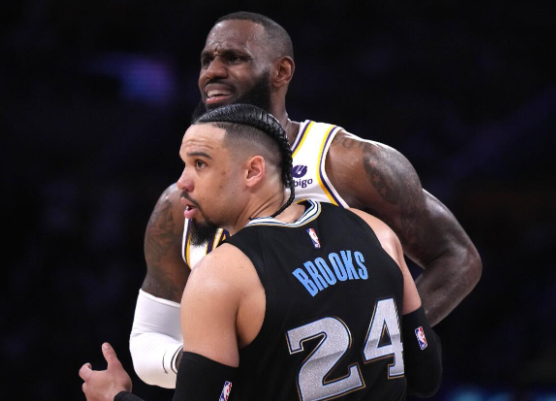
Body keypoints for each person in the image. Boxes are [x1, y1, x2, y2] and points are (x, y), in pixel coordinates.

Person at [131, 11, 480, 388]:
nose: (211, 72)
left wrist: (381, 340)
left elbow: (457, 256)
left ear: (281, 71)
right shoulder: (180, 205)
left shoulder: (347, 164)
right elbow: (149, 339)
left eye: (233, 57)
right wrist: (210, 364)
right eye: (206, 60)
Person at [80, 104, 442, 401]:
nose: (182, 182)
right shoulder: (376, 232)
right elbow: (426, 375)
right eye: (184, 164)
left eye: (200, 164)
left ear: (253, 171)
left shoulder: (221, 276)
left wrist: (114, 396)